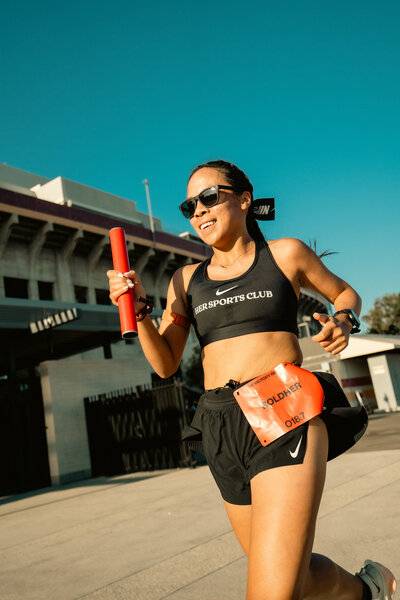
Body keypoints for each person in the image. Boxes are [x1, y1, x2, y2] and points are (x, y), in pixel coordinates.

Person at [107, 160, 396, 600]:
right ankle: (367, 590)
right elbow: (166, 363)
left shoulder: (285, 254)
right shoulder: (185, 281)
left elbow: (343, 292)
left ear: (244, 198)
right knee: (286, 576)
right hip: (219, 424)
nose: (199, 210)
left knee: (270, 592)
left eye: (210, 197)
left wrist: (343, 318)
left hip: (281, 405)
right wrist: (140, 312)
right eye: (190, 205)